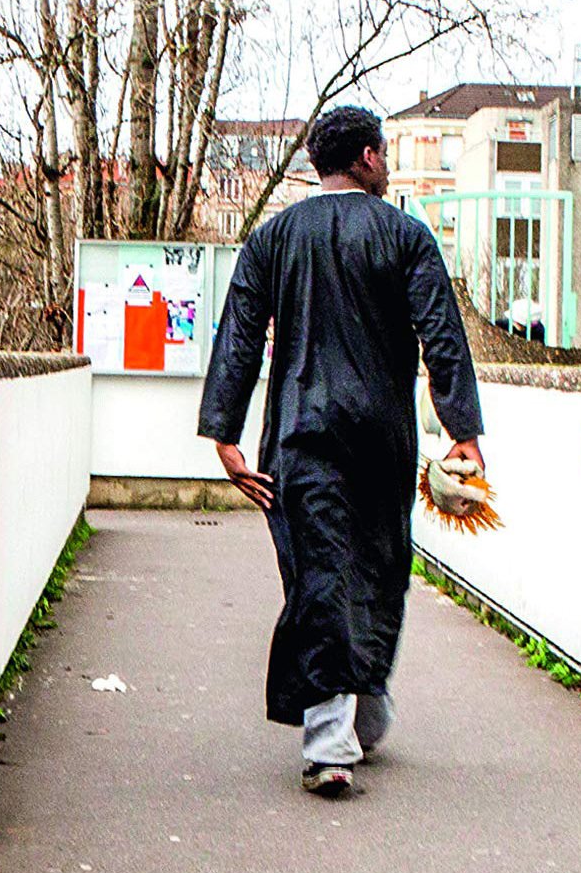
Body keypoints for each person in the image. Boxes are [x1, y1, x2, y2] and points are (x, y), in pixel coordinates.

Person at [197, 104, 484, 798]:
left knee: (319, 575)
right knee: (378, 568)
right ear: (363, 157)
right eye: (381, 152)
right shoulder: (406, 237)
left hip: (298, 434)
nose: (383, 163)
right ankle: (336, 732)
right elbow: (440, 336)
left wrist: (224, 433)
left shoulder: (271, 239)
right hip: (380, 439)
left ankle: (353, 712)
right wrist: (462, 431)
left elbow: (238, 333)